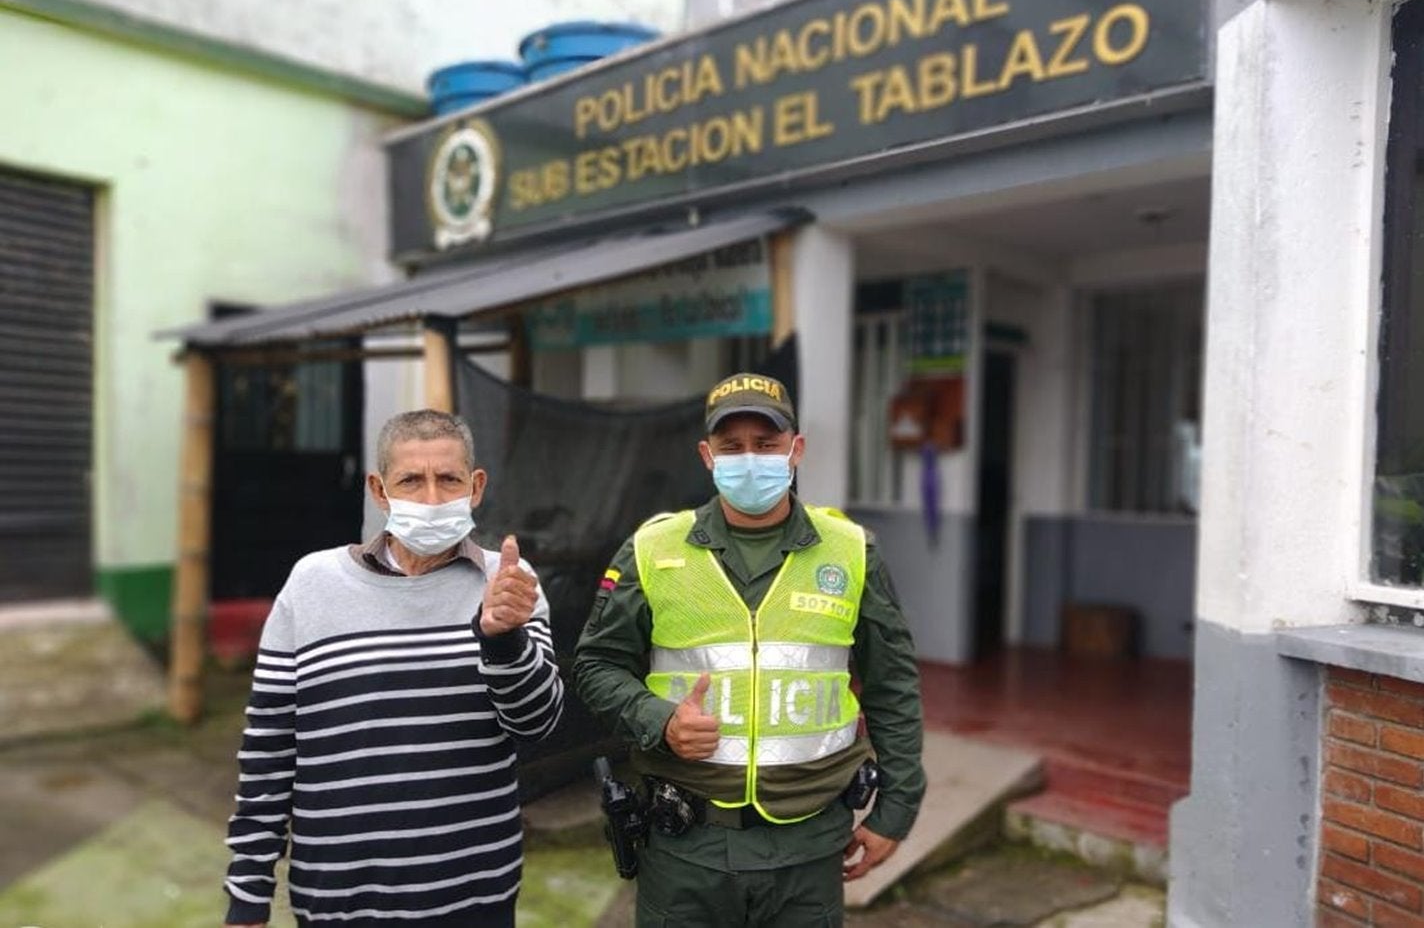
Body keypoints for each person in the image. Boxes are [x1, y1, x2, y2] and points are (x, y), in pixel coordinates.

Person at [573, 372, 926, 926]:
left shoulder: (852, 551)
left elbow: (893, 685)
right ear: (707, 455)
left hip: (809, 846)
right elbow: (596, 663)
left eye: (766, 444)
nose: (750, 458)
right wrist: (658, 720)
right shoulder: (653, 548)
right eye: (731, 446)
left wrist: (896, 810)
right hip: (687, 846)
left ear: (796, 449)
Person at [222, 409, 563, 927]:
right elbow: (269, 749)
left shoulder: (508, 583)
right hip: (335, 900)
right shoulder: (312, 584)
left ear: (475, 487)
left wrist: (502, 639)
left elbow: (537, 724)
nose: (431, 498)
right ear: (379, 491)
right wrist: (248, 890)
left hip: (473, 899)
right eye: (411, 480)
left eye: (448, 479)